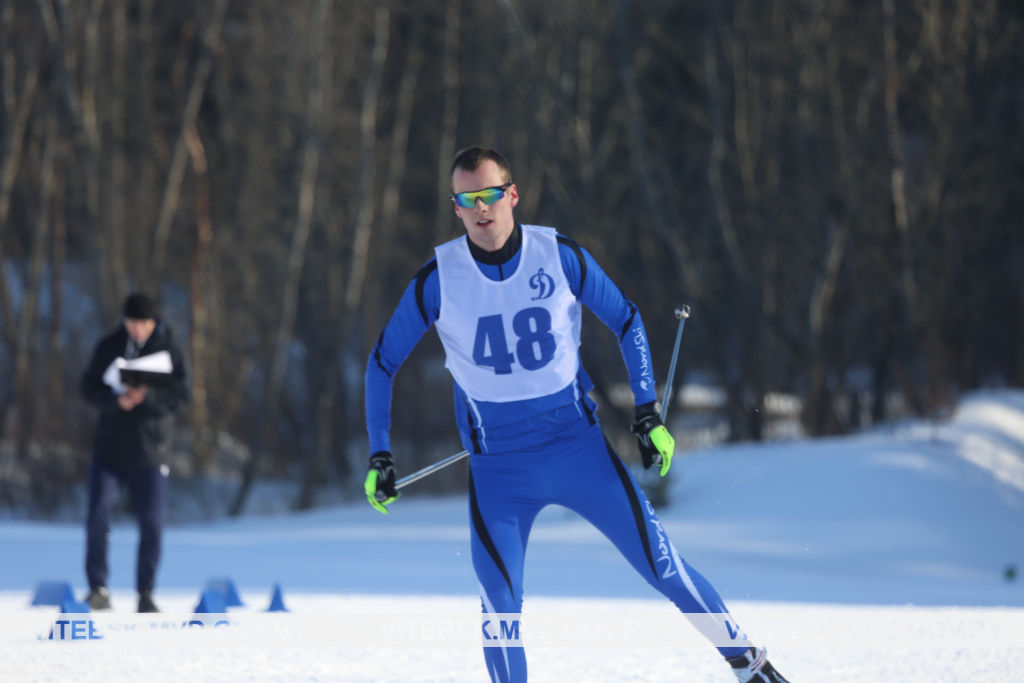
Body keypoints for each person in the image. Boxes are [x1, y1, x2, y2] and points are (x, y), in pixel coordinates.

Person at [363, 147, 792, 683]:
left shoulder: (557, 254)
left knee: (664, 567)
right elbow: (382, 363)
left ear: (512, 194)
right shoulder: (438, 279)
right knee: (500, 613)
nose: (481, 209)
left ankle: (751, 668)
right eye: (467, 199)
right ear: (456, 207)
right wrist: (380, 452)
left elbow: (628, 320)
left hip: (576, 449)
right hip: (499, 470)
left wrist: (647, 414)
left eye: (491, 194)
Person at [80, 293, 189, 613]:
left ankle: (146, 593)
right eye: (132, 323)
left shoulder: (170, 351)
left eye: (143, 323)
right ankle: (97, 588)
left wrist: (147, 397)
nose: (137, 330)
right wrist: (115, 402)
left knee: (152, 524)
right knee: (98, 517)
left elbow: (181, 396)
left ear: (154, 323)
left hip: (151, 451)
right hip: (109, 450)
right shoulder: (108, 347)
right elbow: (87, 388)